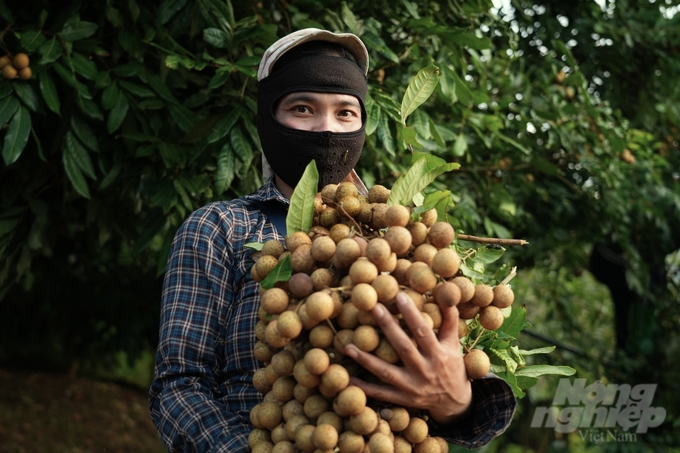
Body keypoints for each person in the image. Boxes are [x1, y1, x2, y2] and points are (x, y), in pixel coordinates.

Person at [148, 28, 516, 452]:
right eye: (303, 108)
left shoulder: (408, 237)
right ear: (269, 120)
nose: (326, 129)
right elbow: (179, 387)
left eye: (345, 113)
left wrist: (457, 401)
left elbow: (460, 372)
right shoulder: (221, 228)